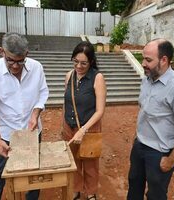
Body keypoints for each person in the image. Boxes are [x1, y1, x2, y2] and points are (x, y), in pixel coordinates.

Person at [0, 32, 49, 200]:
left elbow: (43, 92)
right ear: (1, 51)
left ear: (27, 54)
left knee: (33, 173)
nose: (16, 66)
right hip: (4, 134)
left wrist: (35, 112)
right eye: (10, 60)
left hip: (32, 132)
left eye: (20, 61)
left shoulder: (36, 67)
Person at [127, 38, 174, 200]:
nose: (143, 63)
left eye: (148, 60)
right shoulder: (147, 80)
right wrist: (138, 137)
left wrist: (171, 160)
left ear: (164, 60)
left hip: (160, 154)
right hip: (140, 147)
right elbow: (145, 110)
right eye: (143, 58)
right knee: (134, 185)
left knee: (156, 194)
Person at [61, 41, 107, 200]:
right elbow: (66, 102)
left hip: (89, 129)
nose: (79, 66)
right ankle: (75, 189)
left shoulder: (97, 78)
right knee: (72, 162)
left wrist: (83, 130)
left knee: (90, 165)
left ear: (91, 62)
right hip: (69, 128)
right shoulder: (69, 75)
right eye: (75, 61)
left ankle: (91, 193)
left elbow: (100, 111)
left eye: (83, 63)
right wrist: (64, 125)